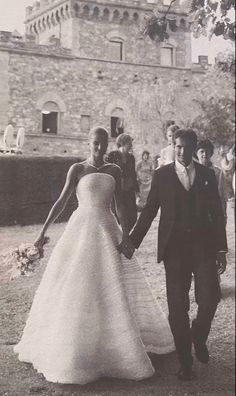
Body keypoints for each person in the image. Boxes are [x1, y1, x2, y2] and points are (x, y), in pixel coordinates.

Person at [14, 126, 174, 385]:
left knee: (111, 284)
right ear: (89, 144)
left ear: (107, 143)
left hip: (107, 229)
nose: (98, 149)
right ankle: (76, 347)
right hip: (81, 229)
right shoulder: (77, 169)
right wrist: (41, 233)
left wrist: (125, 235)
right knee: (78, 283)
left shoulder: (115, 170)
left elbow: (121, 205)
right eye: (94, 144)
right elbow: (62, 201)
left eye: (102, 144)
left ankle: (116, 344)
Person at [123, 129, 227, 381]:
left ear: (193, 148)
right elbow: (149, 212)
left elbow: (217, 214)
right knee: (177, 307)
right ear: (173, 146)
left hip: (203, 248)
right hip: (174, 251)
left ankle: (199, 336)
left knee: (210, 297)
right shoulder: (162, 175)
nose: (182, 151)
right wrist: (132, 242)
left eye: (186, 147)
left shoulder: (206, 175)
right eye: (178, 146)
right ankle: (185, 362)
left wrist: (221, 249)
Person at [107, 133, 139, 232]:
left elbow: (133, 174)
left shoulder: (131, 158)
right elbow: (108, 173)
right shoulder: (112, 156)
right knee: (117, 217)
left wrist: (137, 191)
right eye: (129, 143)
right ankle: (119, 240)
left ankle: (124, 236)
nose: (131, 145)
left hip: (129, 191)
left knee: (133, 217)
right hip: (116, 192)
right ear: (123, 143)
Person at [195, 139, 228, 224]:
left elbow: (222, 195)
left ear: (211, 153)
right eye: (201, 151)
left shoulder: (217, 172)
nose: (205, 154)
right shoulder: (192, 171)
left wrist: (223, 215)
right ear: (196, 153)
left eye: (207, 152)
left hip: (212, 212)